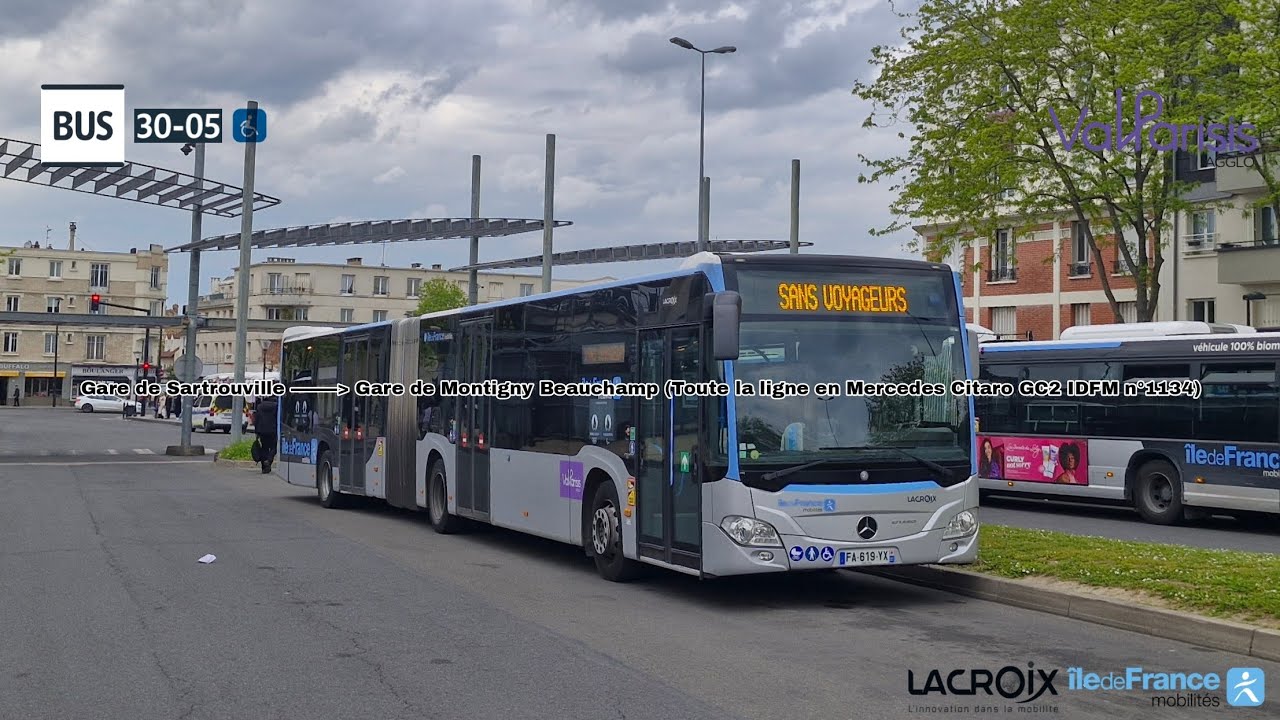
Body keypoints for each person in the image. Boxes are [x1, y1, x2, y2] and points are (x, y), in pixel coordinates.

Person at [252, 395, 279, 474]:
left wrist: (256, 431)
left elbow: (257, 419)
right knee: (274, 447)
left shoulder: (260, 406)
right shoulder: (276, 406)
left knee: (264, 448)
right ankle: (269, 460)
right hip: (273, 430)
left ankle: (264, 468)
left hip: (262, 431)